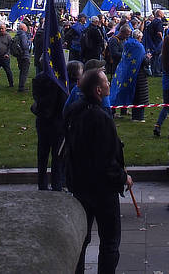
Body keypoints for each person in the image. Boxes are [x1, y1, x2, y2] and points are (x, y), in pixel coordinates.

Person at [64, 68, 132, 274]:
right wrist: (124, 177)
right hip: (102, 190)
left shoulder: (75, 112)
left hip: (80, 186)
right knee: (110, 242)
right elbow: (106, 161)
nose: (109, 83)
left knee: (82, 239)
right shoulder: (101, 119)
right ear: (98, 90)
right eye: (105, 82)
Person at [31, 60, 68, 191]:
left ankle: (42, 184)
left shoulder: (38, 79)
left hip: (43, 122)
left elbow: (36, 100)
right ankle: (56, 184)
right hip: (57, 123)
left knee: (43, 154)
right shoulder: (60, 81)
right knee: (57, 156)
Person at [12, 22, 32, 92]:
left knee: (22, 71)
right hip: (25, 55)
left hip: (19, 55)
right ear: (23, 28)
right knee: (24, 72)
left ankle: (21, 85)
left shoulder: (18, 34)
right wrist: (29, 42)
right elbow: (25, 46)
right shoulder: (23, 35)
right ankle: (21, 87)